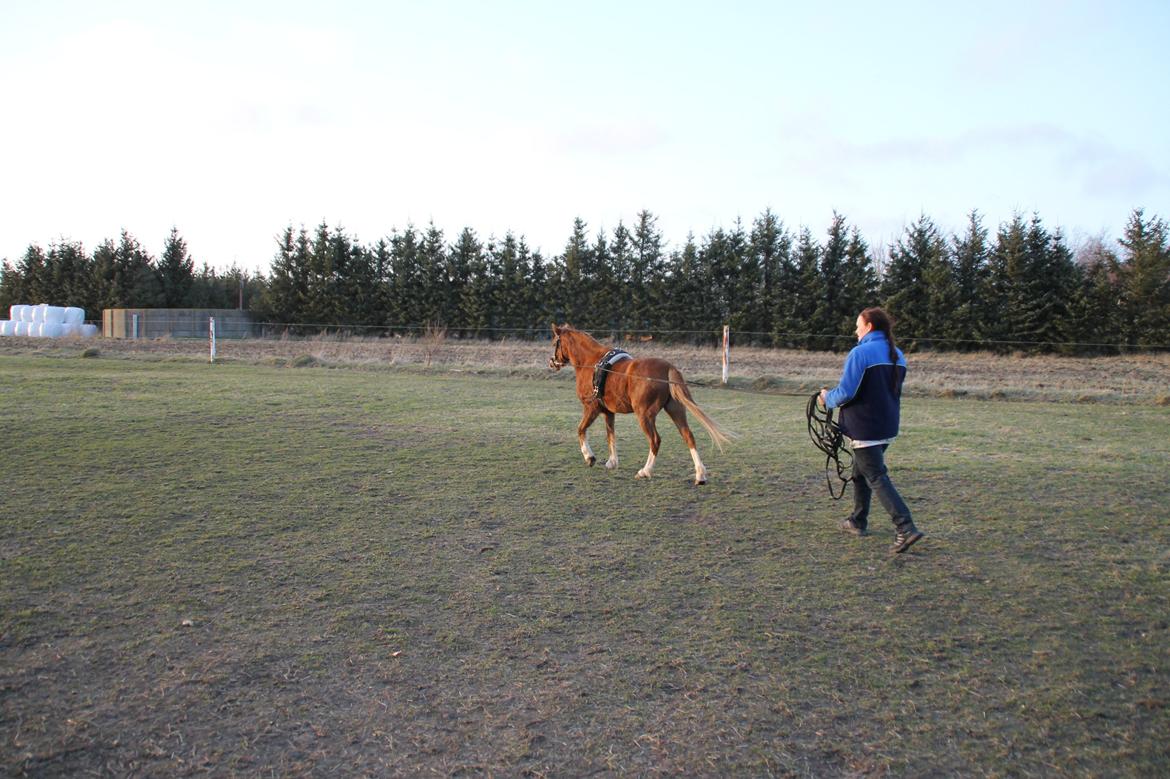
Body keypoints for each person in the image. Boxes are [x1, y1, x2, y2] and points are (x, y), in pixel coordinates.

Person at [819, 307, 925, 553]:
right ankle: (858, 520)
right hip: (886, 425)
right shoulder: (897, 354)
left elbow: (847, 392)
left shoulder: (861, 353)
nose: (855, 330)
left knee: (875, 475)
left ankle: (905, 526)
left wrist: (827, 398)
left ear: (868, 327)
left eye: (858, 325)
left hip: (864, 427)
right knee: (861, 472)